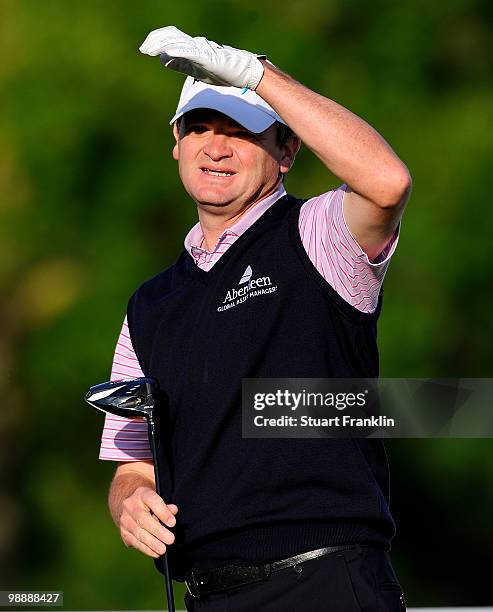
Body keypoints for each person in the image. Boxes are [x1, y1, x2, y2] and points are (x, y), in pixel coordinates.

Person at [98, 26, 412, 611]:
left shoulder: (315, 234)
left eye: (242, 132)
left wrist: (256, 75)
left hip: (324, 582)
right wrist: (129, 501)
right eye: (199, 128)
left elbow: (388, 183)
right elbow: (131, 458)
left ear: (287, 151)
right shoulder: (148, 305)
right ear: (176, 143)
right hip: (208, 594)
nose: (216, 148)